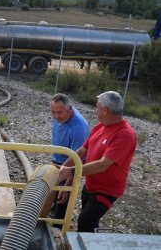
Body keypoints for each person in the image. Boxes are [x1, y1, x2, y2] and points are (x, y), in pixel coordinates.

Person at [59, 91, 137, 232]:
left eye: (97, 107)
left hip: (107, 190)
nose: (96, 111)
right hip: (90, 184)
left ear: (105, 110)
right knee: (88, 222)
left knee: (85, 221)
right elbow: (81, 151)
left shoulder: (125, 134)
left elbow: (103, 164)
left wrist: (71, 171)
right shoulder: (100, 127)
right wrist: (63, 170)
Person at [48, 93, 89, 225]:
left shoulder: (78, 129)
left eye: (59, 113)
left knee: (62, 199)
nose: (55, 116)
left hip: (70, 166)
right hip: (58, 161)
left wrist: (67, 186)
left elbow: (78, 161)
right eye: (53, 112)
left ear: (70, 109)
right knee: (52, 195)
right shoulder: (60, 115)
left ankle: (58, 230)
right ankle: (50, 215)